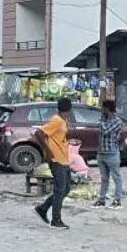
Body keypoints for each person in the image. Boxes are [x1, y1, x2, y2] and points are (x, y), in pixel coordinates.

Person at [33, 97, 74, 230]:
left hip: (63, 158)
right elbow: (39, 133)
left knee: (66, 188)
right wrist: (47, 151)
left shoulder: (63, 120)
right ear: (68, 110)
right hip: (56, 159)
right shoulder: (56, 120)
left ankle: (43, 208)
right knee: (60, 189)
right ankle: (56, 220)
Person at [94, 99, 126, 208]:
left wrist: (102, 121)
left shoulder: (117, 121)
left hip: (112, 154)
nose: (101, 111)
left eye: (103, 108)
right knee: (104, 179)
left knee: (116, 178)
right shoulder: (104, 120)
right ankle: (101, 200)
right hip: (101, 153)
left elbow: (106, 130)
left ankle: (117, 201)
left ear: (107, 109)